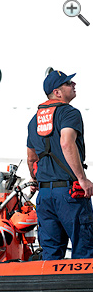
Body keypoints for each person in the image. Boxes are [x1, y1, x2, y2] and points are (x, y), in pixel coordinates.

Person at [27, 70, 93, 260]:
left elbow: (31, 158)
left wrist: (36, 179)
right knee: (84, 248)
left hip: (45, 196)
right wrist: (82, 179)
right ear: (57, 92)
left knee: (50, 252)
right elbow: (66, 143)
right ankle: (82, 289)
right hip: (69, 194)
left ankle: (50, 288)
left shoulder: (34, 120)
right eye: (68, 83)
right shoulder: (69, 113)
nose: (73, 85)